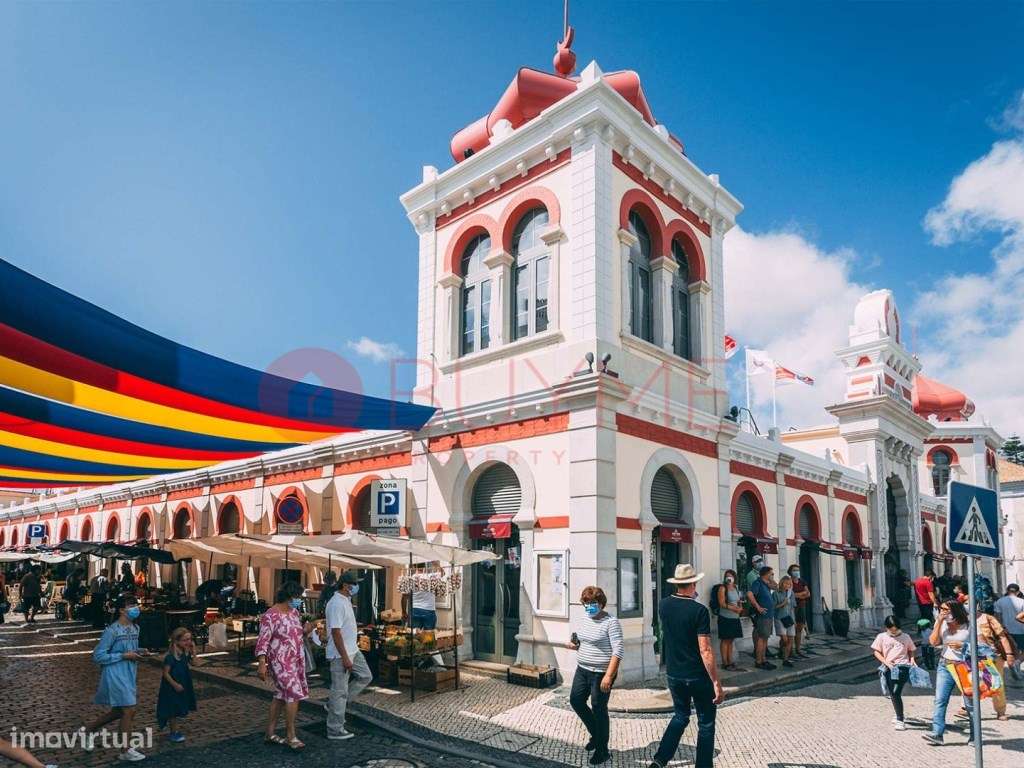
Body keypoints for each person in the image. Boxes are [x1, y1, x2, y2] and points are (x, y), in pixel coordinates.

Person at [649, 564, 723, 768]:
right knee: (706, 723)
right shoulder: (699, 611)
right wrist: (716, 681)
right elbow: (705, 650)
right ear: (692, 583)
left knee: (680, 716)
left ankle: (660, 759)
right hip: (697, 675)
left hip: (674, 673)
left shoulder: (663, 605)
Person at [87, 594, 149, 762]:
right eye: (132, 605)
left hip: (129, 672)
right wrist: (123, 656)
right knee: (129, 710)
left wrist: (140, 651)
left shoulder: (136, 628)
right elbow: (98, 656)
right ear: (122, 609)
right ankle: (125, 749)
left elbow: (131, 649)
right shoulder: (112, 630)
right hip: (115, 672)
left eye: (136, 603)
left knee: (118, 711)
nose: (136, 607)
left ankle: (89, 729)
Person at [256, 581, 316, 751]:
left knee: (281, 695)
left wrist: (306, 630)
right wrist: (262, 663)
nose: (299, 600)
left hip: (295, 660)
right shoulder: (271, 615)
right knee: (293, 694)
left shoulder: (294, 613)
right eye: (297, 596)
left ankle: (270, 732)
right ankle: (291, 735)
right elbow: (263, 640)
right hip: (280, 662)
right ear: (288, 596)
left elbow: (296, 634)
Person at [567, 586, 623, 766]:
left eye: (592, 603)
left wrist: (609, 676)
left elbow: (618, 651)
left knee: (599, 708)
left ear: (601, 603)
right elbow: (581, 640)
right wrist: (574, 645)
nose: (589, 606)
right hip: (582, 669)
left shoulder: (611, 622)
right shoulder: (584, 618)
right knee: (576, 700)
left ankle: (602, 750)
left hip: (601, 673)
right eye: (586, 603)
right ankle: (596, 735)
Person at [325, 571, 373, 742]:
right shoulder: (336, 603)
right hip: (341, 654)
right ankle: (335, 729)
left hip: (353, 650)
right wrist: (345, 657)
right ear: (346, 585)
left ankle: (333, 706)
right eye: (354, 584)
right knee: (339, 691)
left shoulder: (346, 600)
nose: (357, 587)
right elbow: (336, 632)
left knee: (366, 676)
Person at [923, 600, 975, 746]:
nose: (943, 612)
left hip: (965, 666)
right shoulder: (942, 624)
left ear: (955, 610)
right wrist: (939, 622)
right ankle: (937, 734)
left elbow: (980, 647)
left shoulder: (969, 625)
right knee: (940, 700)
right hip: (945, 665)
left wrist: (963, 645)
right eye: (941, 609)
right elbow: (933, 642)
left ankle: (974, 736)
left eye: (946, 610)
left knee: (969, 703)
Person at [968, 606, 1015, 721]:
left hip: (993, 656)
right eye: (964, 602)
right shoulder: (963, 619)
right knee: (971, 681)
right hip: (972, 656)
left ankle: (1000, 711)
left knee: (997, 683)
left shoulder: (988, 618)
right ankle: (967, 707)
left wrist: (1009, 654)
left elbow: (1002, 637)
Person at [871, 616, 917, 730]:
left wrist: (912, 660)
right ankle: (898, 714)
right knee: (892, 693)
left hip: (903, 667)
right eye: (892, 630)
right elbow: (876, 652)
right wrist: (885, 662)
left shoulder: (906, 637)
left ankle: (900, 720)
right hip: (889, 668)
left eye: (896, 629)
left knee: (896, 692)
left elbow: (911, 650)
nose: (895, 632)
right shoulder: (881, 637)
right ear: (887, 628)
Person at [156, 627, 201, 741]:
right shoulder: (170, 657)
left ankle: (174, 730)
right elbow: (166, 673)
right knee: (173, 709)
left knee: (177, 707)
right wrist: (175, 684)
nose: (188, 642)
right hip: (172, 686)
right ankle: (173, 732)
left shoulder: (185, 654)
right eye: (185, 640)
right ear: (176, 641)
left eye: (190, 639)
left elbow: (195, 663)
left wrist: (194, 651)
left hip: (183, 682)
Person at [746, 565, 776, 670]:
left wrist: (771, 580)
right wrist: (758, 607)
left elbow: (776, 587)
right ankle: (759, 661)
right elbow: (750, 594)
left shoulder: (766, 584)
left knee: (765, 639)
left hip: (768, 615)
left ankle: (764, 660)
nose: (772, 575)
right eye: (771, 574)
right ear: (766, 574)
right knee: (761, 639)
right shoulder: (757, 582)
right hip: (763, 616)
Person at [714, 569, 744, 671]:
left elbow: (738, 600)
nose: (729, 578)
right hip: (725, 617)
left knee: (731, 640)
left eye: (730, 576)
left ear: (734, 577)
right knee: (725, 640)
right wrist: (734, 609)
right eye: (727, 576)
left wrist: (740, 607)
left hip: (735, 617)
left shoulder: (735, 587)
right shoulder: (722, 588)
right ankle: (725, 663)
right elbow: (722, 603)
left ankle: (730, 661)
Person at [992, 584, 1024, 665]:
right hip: (1020, 630)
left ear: (1007, 591)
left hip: (1005, 631)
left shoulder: (999, 601)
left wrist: (1001, 628)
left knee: (1010, 651)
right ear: (1018, 592)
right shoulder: (1022, 602)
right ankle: (1016, 664)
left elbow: (997, 617)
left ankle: (1013, 666)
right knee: (1022, 651)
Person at [788, 563, 811, 658]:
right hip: (792, 607)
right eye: (794, 570)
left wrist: (797, 594)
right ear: (790, 572)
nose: (796, 572)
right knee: (791, 629)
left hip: (802, 606)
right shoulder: (788, 581)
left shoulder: (802, 581)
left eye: (797, 570)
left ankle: (798, 649)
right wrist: (802, 594)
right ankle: (790, 650)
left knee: (800, 628)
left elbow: (808, 594)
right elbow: (790, 595)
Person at [773, 575, 796, 668]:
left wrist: (794, 619)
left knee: (790, 639)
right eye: (786, 583)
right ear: (782, 583)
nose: (788, 585)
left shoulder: (791, 593)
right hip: (780, 618)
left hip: (790, 618)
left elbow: (793, 606)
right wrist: (783, 603)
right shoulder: (776, 593)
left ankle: (785, 659)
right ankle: (781, 651)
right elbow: (773, 607)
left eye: (790, 584)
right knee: (784, 639)